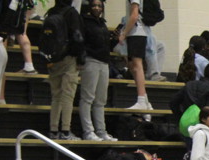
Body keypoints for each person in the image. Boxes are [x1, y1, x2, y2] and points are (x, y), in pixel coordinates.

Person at [45, 0, 84, 141]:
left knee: (56, 96)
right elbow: (77, 36)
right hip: (69, 58)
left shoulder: (51, 12)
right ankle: (66, 131)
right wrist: (81, 59)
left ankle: (53, 130)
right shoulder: (71, 13)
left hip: (53, 59)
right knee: (68, 96)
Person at [79, 0, 115, 141]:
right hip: (91, 61)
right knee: (87, 97)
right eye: (94, 5)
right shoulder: (84, 22)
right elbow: (81, 41)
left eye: (99, 6)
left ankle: (101, 131)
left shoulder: (102, 24)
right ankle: (88, 131)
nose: (96, 8)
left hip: (104, 62)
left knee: (101, 99)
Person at [118, 0, 151, 112]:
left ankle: (141, 99)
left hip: (137, 33)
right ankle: (145, 101)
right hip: (136, 33)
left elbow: (134, 15)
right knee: (133, 66)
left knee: (137, 66)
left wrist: (124, 33)